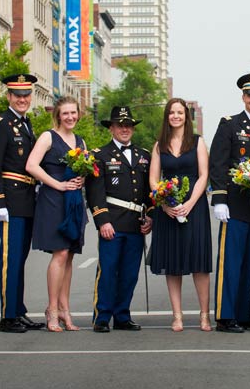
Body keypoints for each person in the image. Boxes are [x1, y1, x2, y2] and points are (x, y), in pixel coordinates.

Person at [209, 73, 250, 333]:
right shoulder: (229, 125)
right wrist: (219, 200)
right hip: (235, 207)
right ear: (243, 97)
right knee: (231, 263)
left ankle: (244, 313)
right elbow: (218, 164)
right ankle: (226, 316)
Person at [0, 73, 45, 333]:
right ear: (8, 96)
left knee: (20, 259)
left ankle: (18, 310)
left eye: (26, 95)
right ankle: (8, 317)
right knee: (11, 259)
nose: (22, 99)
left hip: (27, 200)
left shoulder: (26, 124)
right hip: (10, 201)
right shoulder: (0, 124)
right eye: (17, 95)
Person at [85, 106, 153, 333]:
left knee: (129, 273)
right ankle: (102, 316)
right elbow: (95, 191)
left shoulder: (144, 156)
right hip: (112, 223)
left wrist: (149, 216)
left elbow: (148, 192)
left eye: (128, 125)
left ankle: (122, 315)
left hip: (135, 224)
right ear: (111, 128)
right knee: (108, 270)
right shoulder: (100, 156)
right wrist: (102, 220)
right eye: (120, 125)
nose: (125, 129)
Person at [149, 98, 213, 332]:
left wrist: (190, 203)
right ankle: (177, 316)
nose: (176, 116)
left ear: (187, 116)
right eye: (171, 112)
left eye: (180, 112)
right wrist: (165, 205)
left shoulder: (197, 142)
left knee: (199, 262)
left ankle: (204, 315)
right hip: (168, 209)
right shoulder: (159, 145)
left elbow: (204, 175)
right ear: (167, 117)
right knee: (173, 262)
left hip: (194, 208)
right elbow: (154, 180)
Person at [26, 96, 87, 332]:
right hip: (53, 200)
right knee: (60, 253)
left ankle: (65, 310)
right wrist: (57, 184)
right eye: (65, 114)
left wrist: (83, 176)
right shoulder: (48, 137)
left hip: (73, 203)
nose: (70, 117)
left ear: (78, 114)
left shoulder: (80, 140)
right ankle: (52, 310)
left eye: (73, 113)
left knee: (69, 255)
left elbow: (87, 167)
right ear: (58, 116)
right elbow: (31, 165)